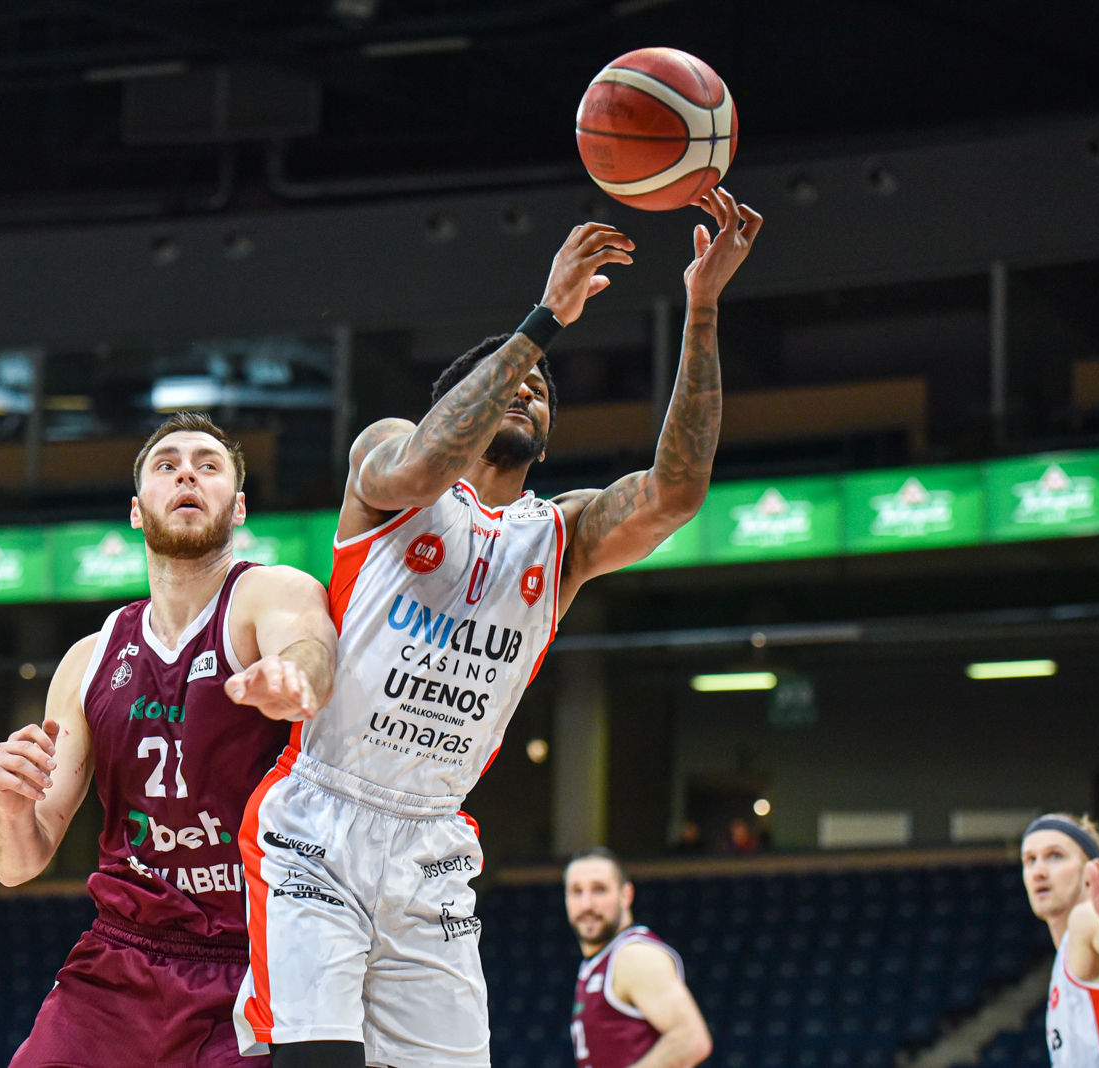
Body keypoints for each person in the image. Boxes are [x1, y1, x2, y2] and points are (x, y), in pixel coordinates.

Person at [235, 189, 761, 1068]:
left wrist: (702, 309)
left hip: (433, 841)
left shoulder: (563, 535)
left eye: (542, 390)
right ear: (456, 404)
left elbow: (675, 494)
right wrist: (543, 320)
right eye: (511, 377)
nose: (528, 386)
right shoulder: (389, 461)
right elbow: (423, 464)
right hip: (319, 818)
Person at [0, 411, 339, 1068]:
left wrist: (295, 673)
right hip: (121, 958)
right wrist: (8, 804)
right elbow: (16, 864)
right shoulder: (89, 658)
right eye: (167, 465)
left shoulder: (265, 594)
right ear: (136, 510)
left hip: (253, 957)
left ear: (238, 508)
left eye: (208, 466)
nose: (187, 475)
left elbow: (308, 642)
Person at [565, 849, 712, 1068]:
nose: (586, 904)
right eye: (576, 891)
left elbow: (691, 1040)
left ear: (626, 895)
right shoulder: (597, 961)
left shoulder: (634, 956)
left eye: (599, 890)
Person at [1019, 813, 1099, 1066]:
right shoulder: (1066, 954)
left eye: (1055, 856)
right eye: (1030, 860)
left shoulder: (1086, 920)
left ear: (1090, 870)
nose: (1038, 872)